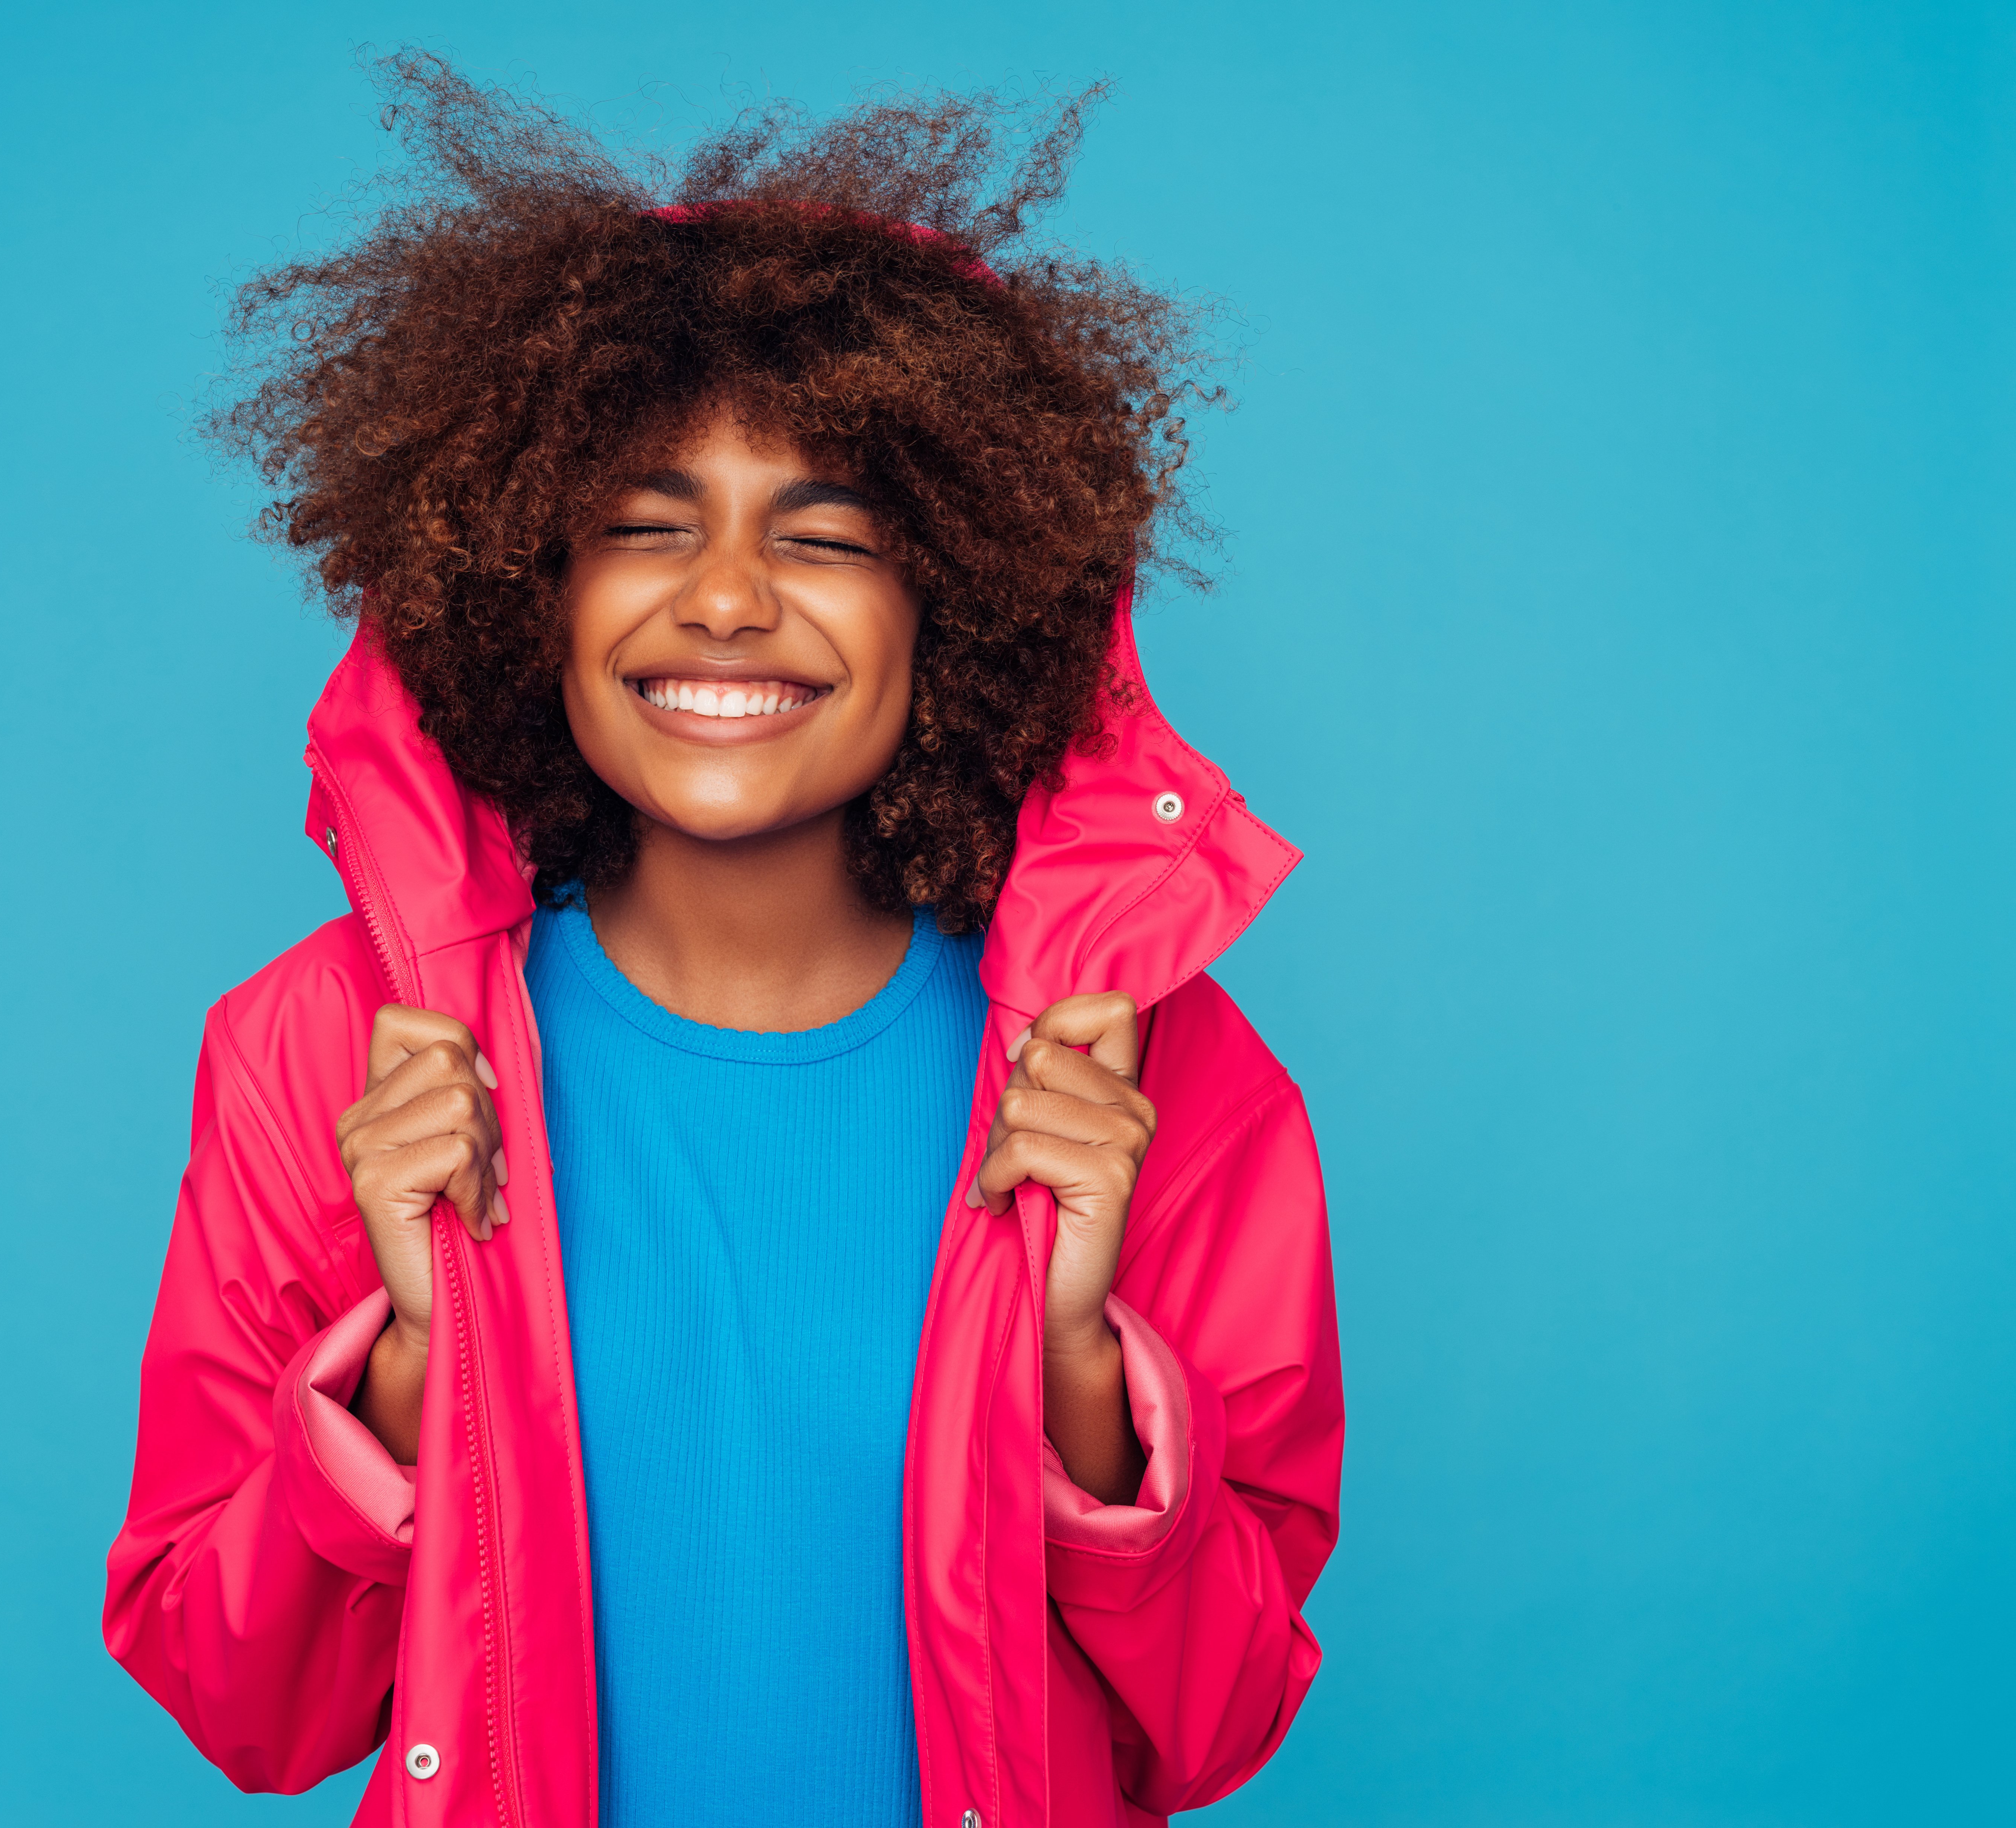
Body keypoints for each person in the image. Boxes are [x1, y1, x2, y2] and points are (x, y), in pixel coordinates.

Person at [105, 55, 1342, 1828]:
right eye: (643, 528)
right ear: (528, 588)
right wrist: (399, 1360)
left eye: (825, 535)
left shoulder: (1148, 1065)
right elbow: (241, 1707)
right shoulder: (328, 1052)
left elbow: (1220, 1729)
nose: (729, 599)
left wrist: (1082, 1373)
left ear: (959, 604)